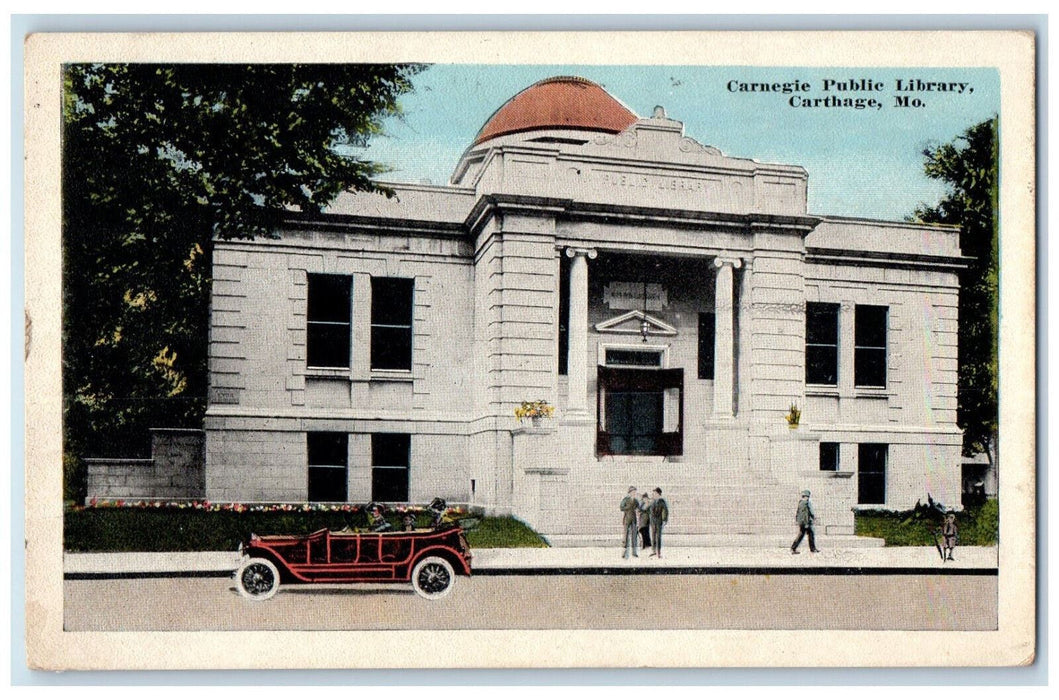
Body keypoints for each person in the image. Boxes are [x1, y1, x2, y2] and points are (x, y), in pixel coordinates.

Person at [791, 489, 818, 554]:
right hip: (806, 522)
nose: (808, 498)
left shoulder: (800, 503)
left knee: (805, 535)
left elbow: (798, 513)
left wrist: (798, 520)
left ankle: (794, 547)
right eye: (807, 496)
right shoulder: (806, 503)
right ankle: (794, 547)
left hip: (802, 522)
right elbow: (808, 513)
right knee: (804, 535)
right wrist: (809, 521)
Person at [620, 486, 639, 558]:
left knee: (634, 536)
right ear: (630, 492)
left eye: (635, 492)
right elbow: (621, 507)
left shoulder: (636, 500)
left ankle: (634, 552)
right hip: (627, 519)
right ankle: (624, 552)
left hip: (634, 520)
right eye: (633, 492)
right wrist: (628, 508)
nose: (634, 493)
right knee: (625, 536)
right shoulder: (625, 500)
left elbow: (638, 508)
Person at [649, 487, 669, 558]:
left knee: (658, 537)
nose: (653, 494)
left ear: (658, 494)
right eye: (653, 493)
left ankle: (658, 552)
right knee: (653, 536)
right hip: (653, 522)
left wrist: (664, 520)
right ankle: (653, 551)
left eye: (655, 493)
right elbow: (650, 511)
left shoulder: (662, 502)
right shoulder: (653, 501)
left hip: (659, 522)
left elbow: (665, 511)